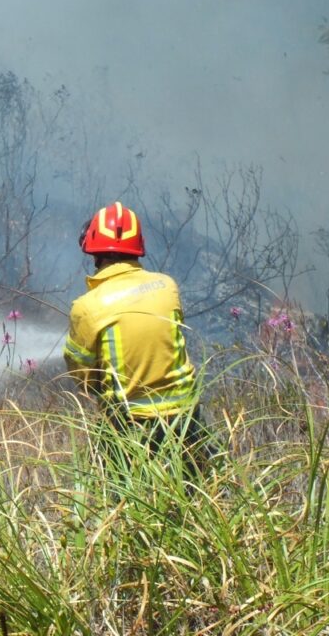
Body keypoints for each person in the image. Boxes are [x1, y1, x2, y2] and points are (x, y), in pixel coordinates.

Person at [63, 201, 213, 478]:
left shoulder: (87, 307)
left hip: (130, 430)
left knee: (122, 505)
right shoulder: (166, 286)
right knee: (197, 494)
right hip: (187, 422)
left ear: (92, 248)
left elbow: (84, 379)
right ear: (138, 246)